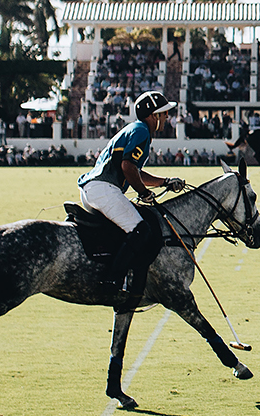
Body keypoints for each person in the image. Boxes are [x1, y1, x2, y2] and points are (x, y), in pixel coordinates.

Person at [75, 90, 184, 310]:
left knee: (127, 225)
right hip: (103, 188)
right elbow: (127, 167)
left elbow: (135, 171)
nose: (166, 118)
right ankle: (112, 281)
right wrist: (143, 193)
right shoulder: (142, 131)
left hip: (94, 188)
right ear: (153, 115)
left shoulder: (135, 130)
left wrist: (165, 182)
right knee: (141, 230)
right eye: (163, 113)